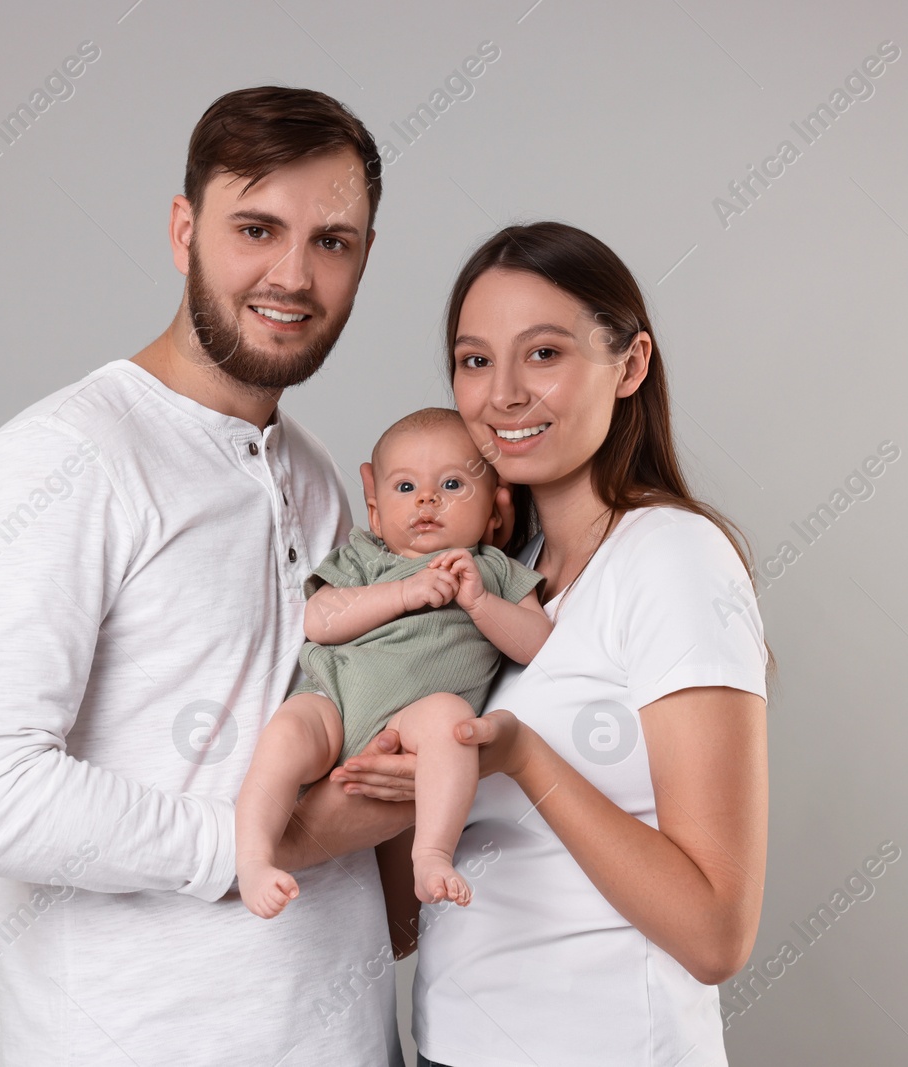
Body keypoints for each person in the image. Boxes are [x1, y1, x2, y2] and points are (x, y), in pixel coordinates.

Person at [0, 86, 424, 1065]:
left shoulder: (318, 477)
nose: (293, 273)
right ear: (183, 228)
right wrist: (253, 841)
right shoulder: (62, 461)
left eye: (333, 240)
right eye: (256, 227)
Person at [337, 221, 776, 1067]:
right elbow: (404, 923)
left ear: (631, 364)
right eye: (474, 360)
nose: (502, 394)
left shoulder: (672, 558)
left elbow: (718, 933)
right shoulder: (501, 583)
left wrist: (525, 760)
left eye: (543, 354)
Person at [236, 408, 551, 919]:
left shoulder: (492, 570)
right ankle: (253, 857)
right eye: (405, 487)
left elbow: (537, 645)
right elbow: (320, 619)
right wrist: (403, 592)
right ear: (376, 509)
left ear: (495, 512)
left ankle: (429, 854)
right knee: (284, 738)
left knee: (451, 722)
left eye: (452, 483)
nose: (427, 500)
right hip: (333, 703)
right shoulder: (365, 557)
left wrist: (479, 605)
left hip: (411, 724)